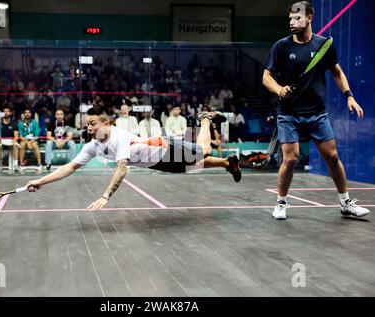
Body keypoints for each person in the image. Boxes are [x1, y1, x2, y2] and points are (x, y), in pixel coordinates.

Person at [262, 1, 370, 219]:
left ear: (310, 17)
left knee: (332, 156)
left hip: (316, 114)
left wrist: (349, 96)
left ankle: (345, 202)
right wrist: (279, 89)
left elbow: (337, 72)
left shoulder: (324, 46)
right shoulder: (281, 46)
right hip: (288, 114)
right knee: (290, 159)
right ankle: (281, 203)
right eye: (290, 18)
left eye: (298, 18)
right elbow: (266, 77)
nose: (292, 22)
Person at [25, 106, 241, 211]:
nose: (89, 127)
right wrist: (40, 181)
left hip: (164, 146)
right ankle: (227, 163)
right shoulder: (93, 146)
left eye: (93, 123)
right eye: (87, 123)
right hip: (157, 161)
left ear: (107, 123)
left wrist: (105, 196)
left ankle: (204, 118)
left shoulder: (118, 137)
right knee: (194, 164)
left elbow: (122, 169)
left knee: (202, 151)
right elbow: (70, 167)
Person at [0, 104, 20, 173]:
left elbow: (16, 135)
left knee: (15, 145)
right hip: (0, 139)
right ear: (2, 113)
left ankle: (16, 166)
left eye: (8, 111)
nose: (6, 113)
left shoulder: (14, 123)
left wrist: (14, 140)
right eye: (4, 111)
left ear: (11, 113)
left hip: (10, 140)